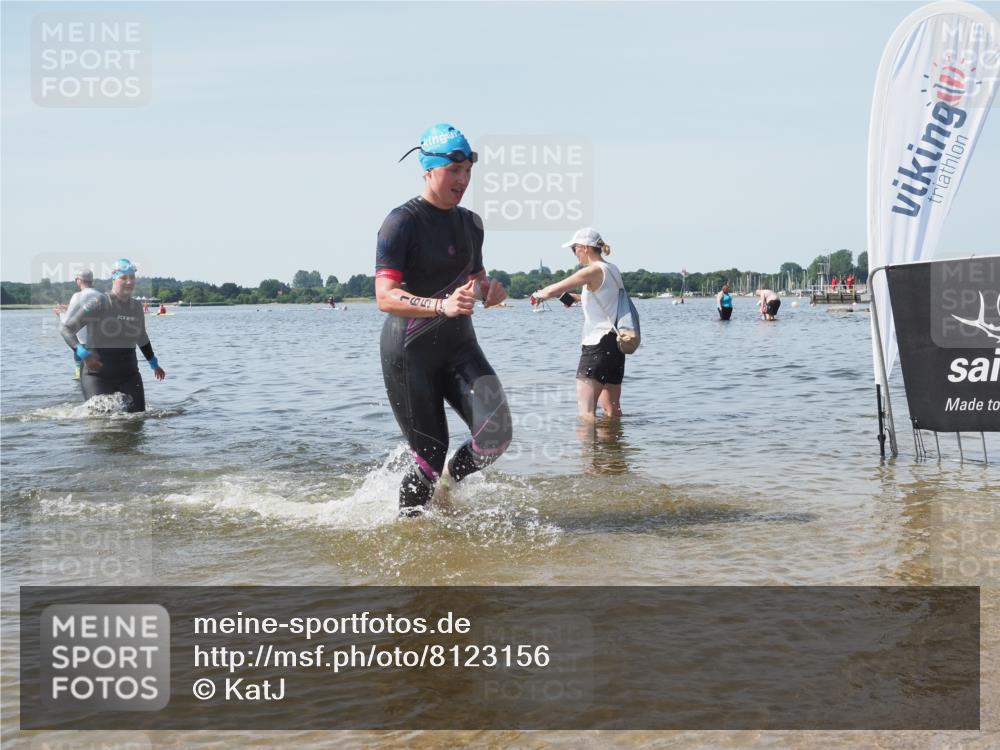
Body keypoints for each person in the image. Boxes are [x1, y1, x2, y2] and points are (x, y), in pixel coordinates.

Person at [376, 123, 512, 516]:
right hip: (409, 351)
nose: (463, 179)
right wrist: (439, 307)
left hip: (459, 345)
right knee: (428, 455)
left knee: (496, 434)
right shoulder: (402, 223)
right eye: (454, 170)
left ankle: (448, 488)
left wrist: (490, 292)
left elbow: (475, 282)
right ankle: (409, 531)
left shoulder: (471, 224)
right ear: (429, 169)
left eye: (468, 170)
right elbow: (385, 297)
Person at [530, 228, 625, 420]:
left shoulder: (592, 270)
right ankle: (614, 449)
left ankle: (589, 451)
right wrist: (574, 298)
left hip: (597, 345)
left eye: (574, 249)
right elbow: (605, 299)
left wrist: (538, 295)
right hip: (616, 345)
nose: (574, 254)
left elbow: (554, 289)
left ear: (585, 248)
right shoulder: (612, 269)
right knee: (612, 411)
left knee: (586, 413)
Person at [61, 259, 166, 412]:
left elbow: (141, 337)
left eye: (132, 277)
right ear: (114, 279)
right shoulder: (99, 302)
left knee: (138, 420)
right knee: (99, 422)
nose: (129, 282)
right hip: (96, 375)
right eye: (124, 278)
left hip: (129, 375)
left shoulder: (137, 307)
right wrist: (83, 353)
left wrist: (154, 364)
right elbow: (67, 329)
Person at [57, 269, 103, 380]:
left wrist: (60, 315)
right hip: (99, 345)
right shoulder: (100, 295)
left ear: (79, 280)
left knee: (81, 379)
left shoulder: (78, 296)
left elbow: (66, 324)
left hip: (81, 344)